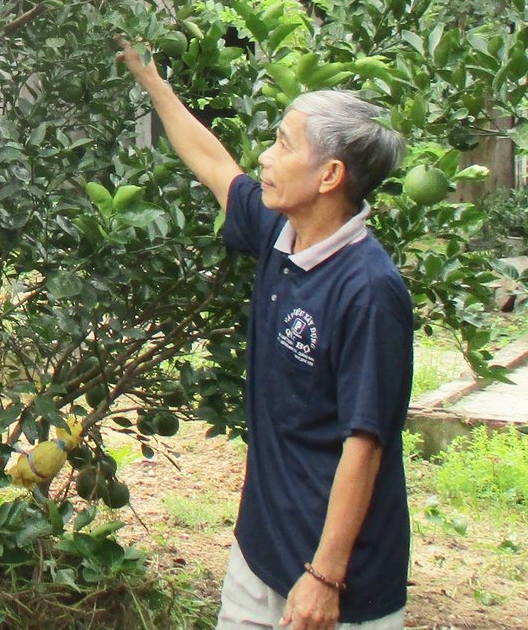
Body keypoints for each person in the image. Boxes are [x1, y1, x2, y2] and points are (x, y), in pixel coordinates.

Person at [117, 41, 413, 630]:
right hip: (260, 554)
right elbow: (215, 166)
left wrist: (324, 578)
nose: (266, 158)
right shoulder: (281, 231)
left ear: (329, 175)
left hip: (339, 585)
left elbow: (366, 444)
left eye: (282, 143)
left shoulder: (369, 290)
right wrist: (151, 81)